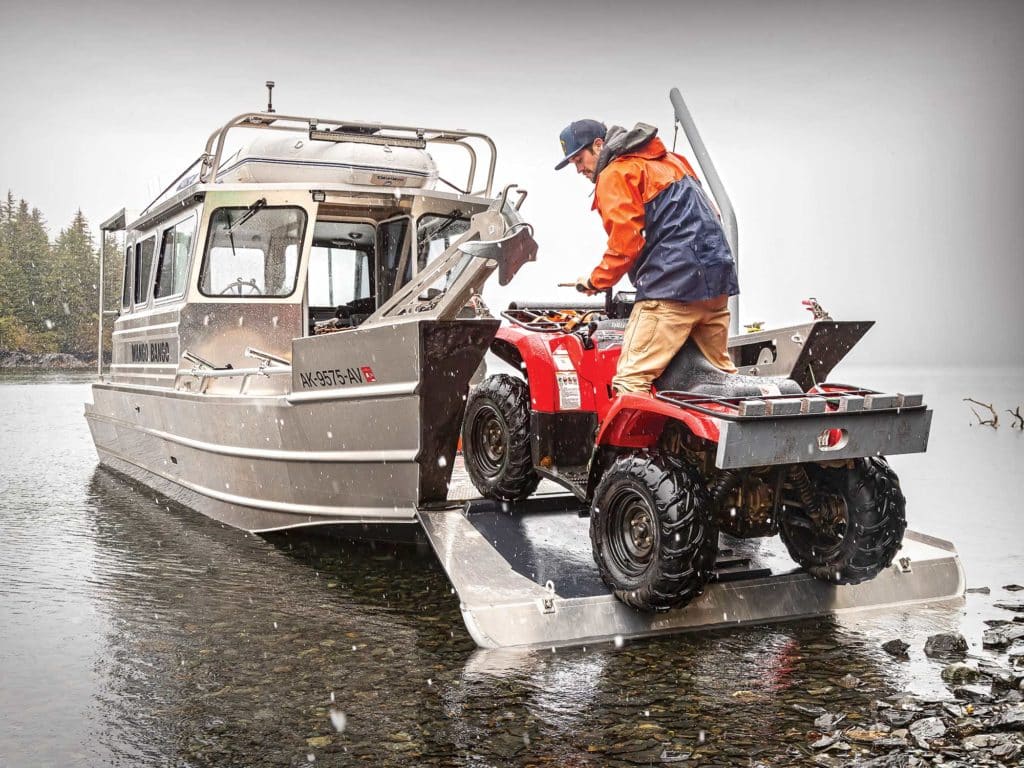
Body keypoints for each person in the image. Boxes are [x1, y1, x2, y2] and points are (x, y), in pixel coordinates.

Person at [555, 119, 740, 394]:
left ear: (598, 145)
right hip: (716, 284)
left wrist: (596, 281)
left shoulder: (615, 173)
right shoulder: (674, 162)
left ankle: (626, 440)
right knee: (719, 384)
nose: (579, 169)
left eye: (579, 159)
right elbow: (711, 214)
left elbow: (626, 243)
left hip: (672, 287)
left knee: (631, 381)